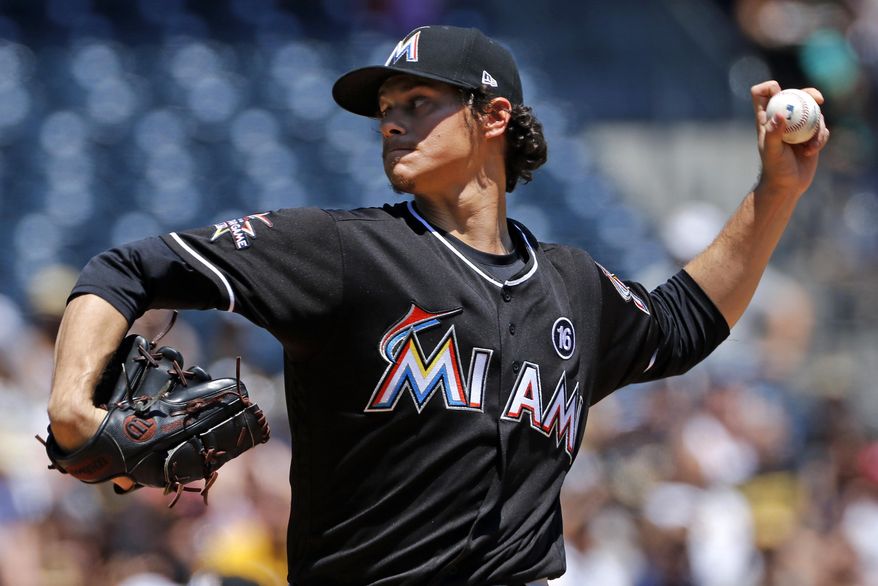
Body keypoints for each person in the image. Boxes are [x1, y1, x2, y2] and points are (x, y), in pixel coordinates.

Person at [46, 25, 829, 586]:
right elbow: (127, 268)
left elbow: (682, 325)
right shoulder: (341, 251)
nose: (391, 119)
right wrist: (74, 402)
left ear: (492, 118)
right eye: (386, 105)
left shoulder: (572, 287)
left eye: (418, 102)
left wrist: (777, 191)